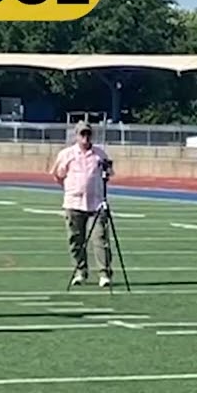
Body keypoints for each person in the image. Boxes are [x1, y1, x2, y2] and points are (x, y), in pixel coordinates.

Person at [49, 121, 115, 287]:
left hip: (96, 203)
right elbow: (57, 174)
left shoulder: (100, 154)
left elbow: (109, 173)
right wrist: (69, 188)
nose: (85, 138)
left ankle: (104, 273)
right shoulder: (66, 154)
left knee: (100, 238)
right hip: (73, 202)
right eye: (82, 134)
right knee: (75, 239)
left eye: (88, 134)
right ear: (76, 136)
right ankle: (80, 271)